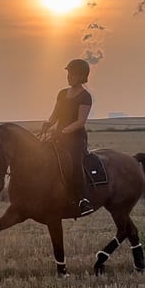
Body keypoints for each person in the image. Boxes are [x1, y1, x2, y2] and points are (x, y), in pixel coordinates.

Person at [40, 58, 95, 217]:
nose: (69, 76)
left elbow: (80, 122)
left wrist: (63, 132)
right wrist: (48, 124)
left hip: (75, 139)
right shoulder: (62, 93)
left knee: (74, 163)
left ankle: (82, 200)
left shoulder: (85, 96)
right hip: (58, 135)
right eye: (68, 73)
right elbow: (55, 115)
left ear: (81, 76)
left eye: (72, 73)